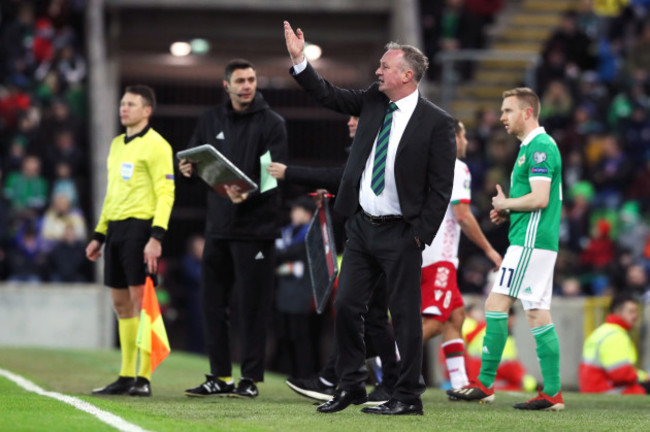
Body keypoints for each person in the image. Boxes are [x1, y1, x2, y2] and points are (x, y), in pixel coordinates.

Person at [284, 21, 456, 415]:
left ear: (406, 75)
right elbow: (327, 94)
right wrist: (299, 61)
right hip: (362, 227)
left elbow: (440, 188)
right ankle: (350, 386)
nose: (377, 72)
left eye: (385, 66)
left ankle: (407, 396)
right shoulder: (372, 101)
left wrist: (419, 235)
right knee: (346, 306)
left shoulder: (437, 123)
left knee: (405, 318)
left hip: (402, 233)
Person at [447, 87, 564, 411]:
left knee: (496, 304)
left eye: (508, 111)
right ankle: (552, 392)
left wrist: (506, 202)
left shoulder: (539, 146)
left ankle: (484, 384)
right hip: (537, 241)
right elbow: (539, 198)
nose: (501, 117)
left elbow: (540, 198)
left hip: (530, 241)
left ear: (527, 113)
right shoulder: (534, 146)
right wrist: (509, 209)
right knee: (538, 313)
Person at [269, 116, 400, 404]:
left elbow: (341, 177)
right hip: (368, 242)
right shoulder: (369, 148)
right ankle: (337, 378)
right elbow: (352, 190)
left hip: (380, 242)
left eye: (357, 117)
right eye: (350, 117)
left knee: (370, 317)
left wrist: (289, 172)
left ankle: (390, 381)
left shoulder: (378, 147)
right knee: (356, 313)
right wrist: (331, 197)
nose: (350, 122)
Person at [180, 59, 288, 399]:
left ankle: (250, 379)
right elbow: (197, 160)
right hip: (218, 228)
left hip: (256, 230)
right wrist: (185, 167)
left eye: (251, 79)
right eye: (240, 80)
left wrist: (250, 189)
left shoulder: (273, 123)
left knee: (252, 308)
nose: (247, 85)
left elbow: (275, 173)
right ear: (225, 85)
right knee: (212, 304)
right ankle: (220, 376)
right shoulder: (210, 119)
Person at [86, 85, 175, 397]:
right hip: (116, 231)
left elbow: (166, 192)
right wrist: (99, 233)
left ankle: (144, 377)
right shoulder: (116, 144)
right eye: (122, 103)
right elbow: (112, 193)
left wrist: (156, 236)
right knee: (121, 304)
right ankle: (125, 374)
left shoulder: (157, 146)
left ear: (146, 111)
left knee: (142, 302)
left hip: (141, 228)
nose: (124, 108)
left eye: (131, 104)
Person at [420, 119, 502, 390]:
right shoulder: (456, 168)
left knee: (456, 316)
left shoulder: (425, 165)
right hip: (439, 256)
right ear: (453, 138)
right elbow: (463, 216)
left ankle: (459, 382)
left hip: (423, 253)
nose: (466, 141)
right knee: (435, 321)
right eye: (464, 135)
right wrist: (489, 250)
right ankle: (386, 361)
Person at [579, 294, 650, 395]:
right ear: (617, 312)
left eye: (636, 311)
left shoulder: (603, 331)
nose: (636, 316)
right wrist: (645, 377)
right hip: (607, 391)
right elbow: (621, 374)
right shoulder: (616, 335)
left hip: (593, 389)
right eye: (631, 311)